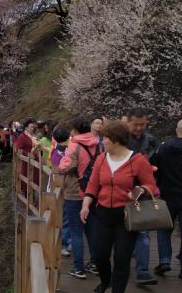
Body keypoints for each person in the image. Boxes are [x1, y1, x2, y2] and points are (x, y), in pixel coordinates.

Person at [80, 121, 157, 293]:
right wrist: (86, 205)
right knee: (100, 256)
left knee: (122, 258)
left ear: (116, 140)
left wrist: (139, 191)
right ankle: (106, 281)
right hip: (102, 214)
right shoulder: (101, 159)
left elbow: (151, 185)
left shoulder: (138, 160)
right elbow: (92, 185)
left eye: (105, 138)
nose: (102, 141)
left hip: (127, 215)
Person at [150, 118, 182, 279]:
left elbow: (152, 167)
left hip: (166, 195)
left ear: (177, 130)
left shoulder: (163, 147)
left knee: (164, 230)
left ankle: (164, 261)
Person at [59, 117, 100, 279]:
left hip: (75, 193)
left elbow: (66, 167)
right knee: (91, 231)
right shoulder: (98, 144)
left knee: (76, 232)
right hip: (93, 192)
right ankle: (95, 264)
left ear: (74, 131)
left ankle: (78, 267)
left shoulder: (74, 145)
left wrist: (61, 164)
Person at [125, 108, 158, 285]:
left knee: (143, 232)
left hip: (143, 191)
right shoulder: (120, 139)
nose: (139, 128)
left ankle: (143, 271)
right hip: (122, 190)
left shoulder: (151, 139)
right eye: (136, 124)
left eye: (143, 124)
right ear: (127, 122)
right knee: (121, 231)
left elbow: (156, 161)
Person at [51, 126, 73, 259]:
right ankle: (63, 244)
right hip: (64, 186)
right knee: (65, 217)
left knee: (64, 217)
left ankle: (66, 241)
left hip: (59, 185)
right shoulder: (65, 152)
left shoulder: (55, 151)